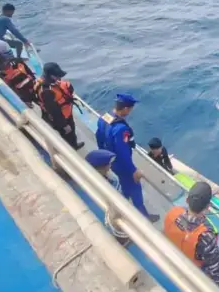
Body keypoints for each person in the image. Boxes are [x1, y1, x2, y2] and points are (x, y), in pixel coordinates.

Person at [96, 93, 159, 222]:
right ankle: (144, 217)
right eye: (130, 108)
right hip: (122, 165)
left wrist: (104, 157)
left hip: (110, 161)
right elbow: (123, 153)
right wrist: (133, 171)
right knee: (135, 189)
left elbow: (98, 136)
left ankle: (123, 198)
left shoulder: (105, 117)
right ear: (125, 109)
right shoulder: (121, 129)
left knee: (125, 184)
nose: (131, 111)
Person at [34, 62, 84, 150]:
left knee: (71, 132)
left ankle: (74, 144)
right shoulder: (47, 92)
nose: (59, 78)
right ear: (51, 76)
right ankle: (72, 149)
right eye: (57, 76)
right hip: (61, 118)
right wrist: (64, 125)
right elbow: (54, 112)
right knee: (68, 134)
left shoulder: (51, 83)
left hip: (65, 113)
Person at [85, 149, 130, 244]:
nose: (110, 167)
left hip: (113, 203)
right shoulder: (106, 182)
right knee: (117, 222)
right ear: (99, 169)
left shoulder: (111, 177)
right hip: (112, 208)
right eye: (107, 165)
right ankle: (121, 240)